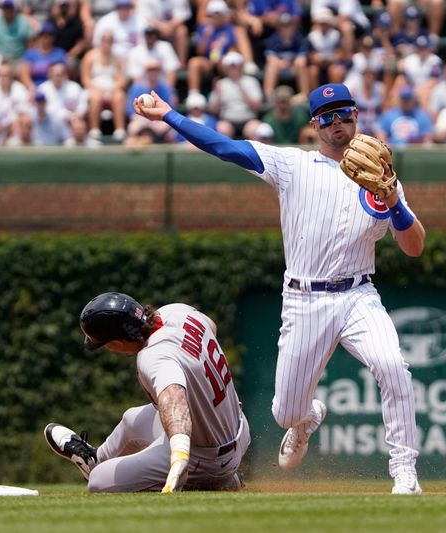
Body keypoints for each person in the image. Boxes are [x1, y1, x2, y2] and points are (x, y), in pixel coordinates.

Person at [133, 82, 426, 495]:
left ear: (357, 116)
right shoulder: (293, 165)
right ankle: (306, 419)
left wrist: (395, 201)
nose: (338, 123)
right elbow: (225, 147)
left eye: (345, 114)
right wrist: (169, 115)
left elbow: (414, 247)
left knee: (393, 367)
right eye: (328, 117)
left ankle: (404, 471)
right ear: (314, 124)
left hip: (359, 295)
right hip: (304, 300)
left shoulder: (382, 180)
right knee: (286, 412)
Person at [44, 292, 250, 493]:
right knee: (131, 419)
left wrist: (179, 457)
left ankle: (218, 481)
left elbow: (174, 398)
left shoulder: (153, 356)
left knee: (98, 481)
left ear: (116, 342)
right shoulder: (176, 311)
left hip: (205, 459)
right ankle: (94, 459)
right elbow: (211, 326)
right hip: (238, 428)